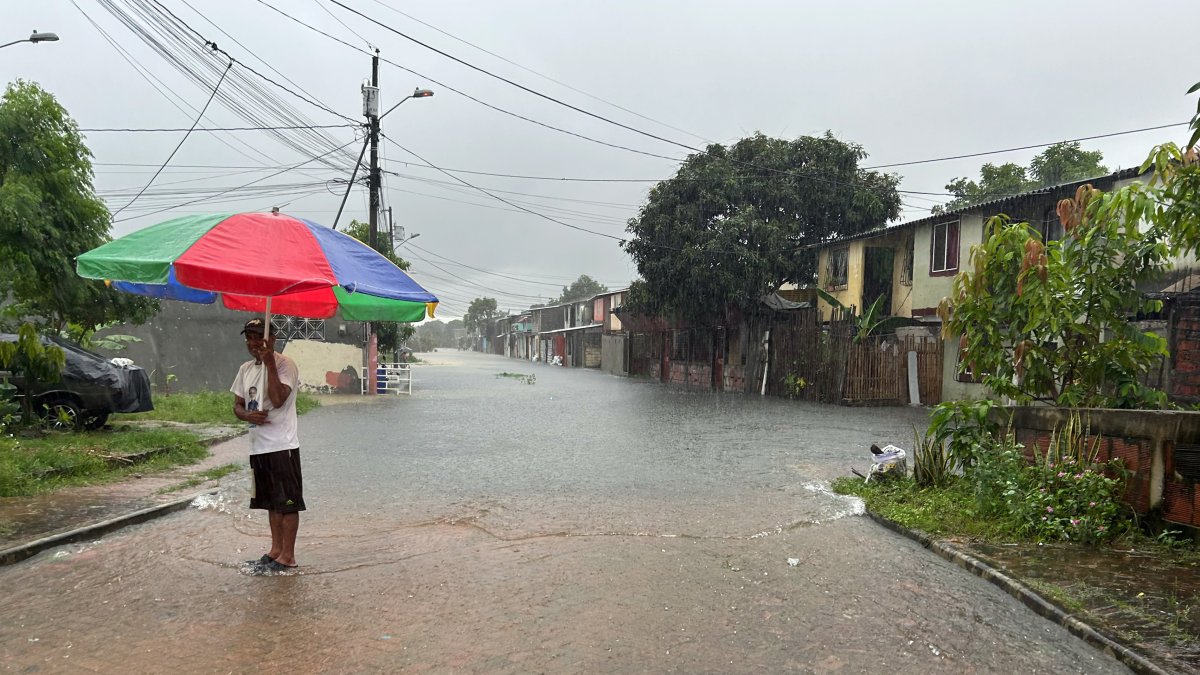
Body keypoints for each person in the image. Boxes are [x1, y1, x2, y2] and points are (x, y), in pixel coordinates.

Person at [230, 318, 303, 574]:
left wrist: (270, 361)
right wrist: (247, 415)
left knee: (288, 503)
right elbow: (237, 405)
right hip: (258, 447)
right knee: (272, 503)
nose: (253, 343)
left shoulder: (286, 365)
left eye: (258, 337)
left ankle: (289, 557)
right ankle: (276, 551)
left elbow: (279, 399)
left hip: (282, 445)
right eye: (249, 337)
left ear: (271, 339)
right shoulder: (245, 369)